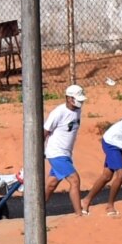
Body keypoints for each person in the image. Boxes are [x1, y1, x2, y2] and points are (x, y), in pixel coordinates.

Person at [44, 85, 87, 216]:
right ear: (69, 98)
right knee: (74, 180)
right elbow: (45, 132)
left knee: (51, 184)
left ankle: (36, 209)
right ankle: (79, 213)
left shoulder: (77, 111)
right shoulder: (58, 112)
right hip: (56, 153)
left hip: (66, 154)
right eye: (77, 99)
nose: (81, 102)